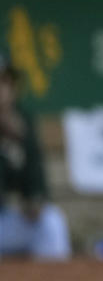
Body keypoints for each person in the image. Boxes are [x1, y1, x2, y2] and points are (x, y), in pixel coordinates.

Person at [0, 57, 71, 262]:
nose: (2, 91)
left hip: (5, 222)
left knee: (51, 221)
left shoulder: (22, 122)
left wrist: (34, 202)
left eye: (5, 82)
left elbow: (37, 183)